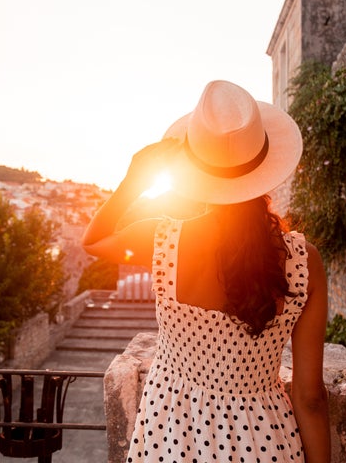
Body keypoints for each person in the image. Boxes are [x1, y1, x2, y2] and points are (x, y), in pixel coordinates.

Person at [83, 80, 330, 462]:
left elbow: (94, 240)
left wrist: (135, 177)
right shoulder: (305, 261)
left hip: (170, 436)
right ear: (265, 165)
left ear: (195, 170)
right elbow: (310, 396)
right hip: (263, 439)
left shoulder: (163, 239)